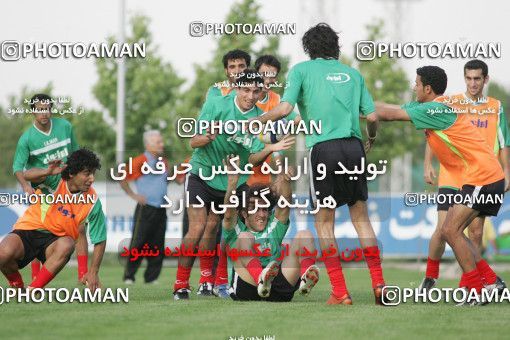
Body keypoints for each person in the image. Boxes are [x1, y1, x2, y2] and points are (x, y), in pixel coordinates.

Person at [255, 23, 385, 305]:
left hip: (324, 149)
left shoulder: (301, 70)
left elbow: (286, 109)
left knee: (324, 224)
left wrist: (259, 120)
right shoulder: (353, 74)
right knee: (361, 219)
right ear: (335, 47)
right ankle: (379, 286)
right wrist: (370, 140)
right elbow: (373, 118)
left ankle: (340, 291)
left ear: (308, 48)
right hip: (353, 147)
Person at [372, 66, 504, 304]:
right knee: (452, 231)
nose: (414, 87)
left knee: (450, 230)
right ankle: (491, 281)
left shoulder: (435, 109)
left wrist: (348, 105)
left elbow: (388, 115)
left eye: (416, 83)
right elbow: (389, 109)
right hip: (481, 176)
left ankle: (477, 290)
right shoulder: (430, 106)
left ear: (427, 88)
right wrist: (362, 100)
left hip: (483, 176)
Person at [173, 70, 295, 300]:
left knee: (228, 232)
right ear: (237, 88)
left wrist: (269, 149)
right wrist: (207, 137)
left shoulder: (260, 119)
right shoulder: (216, 104)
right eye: (246, 90)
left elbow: (252, 158)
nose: (251, 95)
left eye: (256, 91)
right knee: (198, 228)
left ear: (262, 92)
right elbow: (193, 141)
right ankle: (181, 284)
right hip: (203, 172)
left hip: (234, 179)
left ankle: (217, 283)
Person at [420, 60, 509, 291]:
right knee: (444, 229)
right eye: (468, 78)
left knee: (476, 231)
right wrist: (427, 163)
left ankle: (470, 284)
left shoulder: (495, 106)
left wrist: (506, 170)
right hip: (451, 174)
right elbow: (435, 130)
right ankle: (430, 278)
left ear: (485, 79)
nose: (472, 83)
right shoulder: (453, 103)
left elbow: (503, 141)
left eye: (477, 78)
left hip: (480, 176)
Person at [0, 148, 106, 291]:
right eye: (87, 174)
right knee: (3, 253)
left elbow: (100, 239)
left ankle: (32, 291)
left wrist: (93, 272)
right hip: (29, 229)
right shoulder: (55, 180)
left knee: (67, 244)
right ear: (72, 173)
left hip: (55, 242)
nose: (92, 179)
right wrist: (47, 171)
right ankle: (17, 285)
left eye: (93, 174)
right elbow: (26, 175)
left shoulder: (93, 201)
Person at [12, 93, 87, 282]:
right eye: (39, 110)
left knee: (80, 227)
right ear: (33, 112)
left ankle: (83, 275)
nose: (43, 113)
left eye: (46, 109)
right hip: (44, 192)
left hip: (68, 188)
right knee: (40, 230)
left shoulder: (65, 127)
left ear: (51, 110)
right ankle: (36, 275)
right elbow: (17, 168)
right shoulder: (26, 139)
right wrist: (25, 186)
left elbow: (76, 154)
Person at [222, 155, 319, 301]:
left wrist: (286, 180)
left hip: (275, 288)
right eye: (255, 208)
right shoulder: (237, 231)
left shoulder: (273, 227)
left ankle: (306, 277)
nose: (261, 214)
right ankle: (260, 279)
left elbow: (285, 205)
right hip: (247, 287)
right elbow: (228, 215)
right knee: (244, 238)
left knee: (305, 235)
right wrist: (232, 183)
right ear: (244, 213)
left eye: (264, 209)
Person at [120, 130, 168, 284]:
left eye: (161, 141)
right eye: (158, 142)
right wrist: (134, 195)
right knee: (138, 242)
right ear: (148, 145)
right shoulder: (140, 161)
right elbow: (122, 177)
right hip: (146, 208)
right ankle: (129, 276)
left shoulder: (164, 162)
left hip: (161, 208)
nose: (162, 144)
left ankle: (151, 278)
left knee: (158, 244)